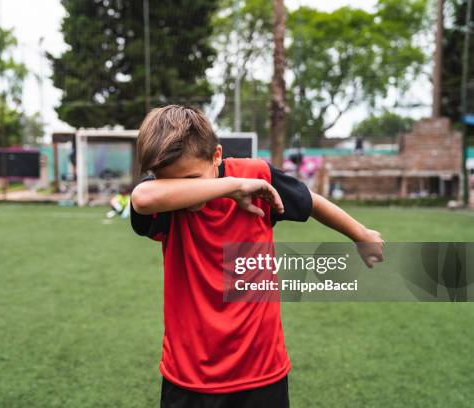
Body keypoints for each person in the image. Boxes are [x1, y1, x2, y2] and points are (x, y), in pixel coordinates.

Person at [129, 105, 384, 408]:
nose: (187, 190)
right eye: (171, 182)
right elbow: (141, 198)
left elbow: (310, 202)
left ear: (216, 156)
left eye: (194, 178)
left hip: (262, 371)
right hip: (190, 377)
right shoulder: (168, 204)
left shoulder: (256, 176)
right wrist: (232, 187)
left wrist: (361, 235)